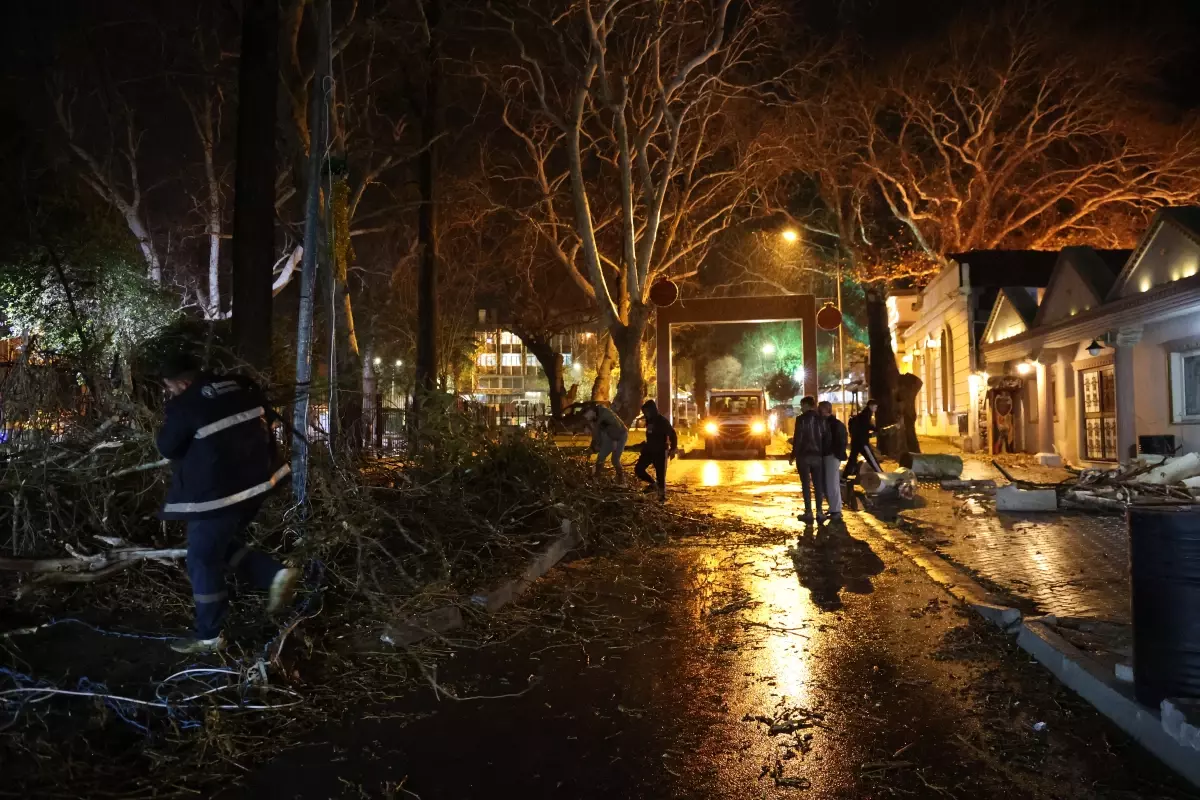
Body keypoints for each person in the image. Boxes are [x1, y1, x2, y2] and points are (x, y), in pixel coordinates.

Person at [156, 354, 299, 654]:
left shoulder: (187, 403)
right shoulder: (239, 385)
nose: (171, 393)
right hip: (259, 484)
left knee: (202, 558)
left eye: (170, 387)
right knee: (218, 547)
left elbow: (167, 446)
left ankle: (210, 636)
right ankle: (272, 573)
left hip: (219, 492)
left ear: (182, 382)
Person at [790, 396, 830, 524]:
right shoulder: (821, 419)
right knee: (818, 484)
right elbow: (825, 437)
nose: (801, 408)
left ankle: (808, 512)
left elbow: (798, 438)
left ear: (807, 405)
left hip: (804, 456)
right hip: (818, 456)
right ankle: (819, 512)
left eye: (802, 405)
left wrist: (793, 455)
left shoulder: (801, 419)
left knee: (806, 485)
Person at [635, 399, 678, 501]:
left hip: (660, 451)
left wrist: (673, 448)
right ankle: (653, 484)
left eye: (647, 411)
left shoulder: (662, 421)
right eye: (644, 412)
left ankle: (662, 496)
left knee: (660, 474)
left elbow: (673, 434)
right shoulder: (649, 421)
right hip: (649, 450)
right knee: (639, 469)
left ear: (652, 410)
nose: (645, 414)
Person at [818, 401, 848, 521]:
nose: (819, 412)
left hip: (831, 456)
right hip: (830, 455)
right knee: (829, 483)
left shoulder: (833, 424)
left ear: (826, 410)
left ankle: (836, 510)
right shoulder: (832, 423)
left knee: (831, 483)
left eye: (820, 410)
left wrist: (835, 453)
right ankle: (834, 508)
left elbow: (840, 441)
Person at [583, 403, 628, 479]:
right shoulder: (597, 417)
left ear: (592, 411)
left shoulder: (603, 414)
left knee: (612, 459)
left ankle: (619, 478)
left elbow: (599, 433)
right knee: (608, 458)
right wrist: (593, 446)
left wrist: (595, 446)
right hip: (611, 435)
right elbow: (597, 435)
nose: (588, 418)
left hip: (620, 434)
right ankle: (618, 477)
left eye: (588, 416)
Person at [845, 399, 879, 480]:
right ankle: (882, 476)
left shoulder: (863, 414)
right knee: (872, 460)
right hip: (862, 443)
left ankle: (843, 478)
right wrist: (876, 431)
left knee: (852, 460)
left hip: (856, 442)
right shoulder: (865, 415)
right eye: (875, 406)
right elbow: (866, 428)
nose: (876, 408)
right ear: (870, 406)